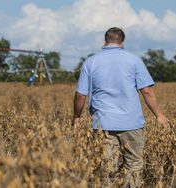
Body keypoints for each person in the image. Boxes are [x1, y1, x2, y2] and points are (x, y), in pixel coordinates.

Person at [72, 27, 169, 187]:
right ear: (122, 43)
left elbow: (80, 95)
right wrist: (159, 115)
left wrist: (76, 117)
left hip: (103, 125)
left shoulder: (91, 61)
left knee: (106, 170)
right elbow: (146, 90)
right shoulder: (134, 60)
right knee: (134, 166)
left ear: (104, 42)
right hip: (131, 124)